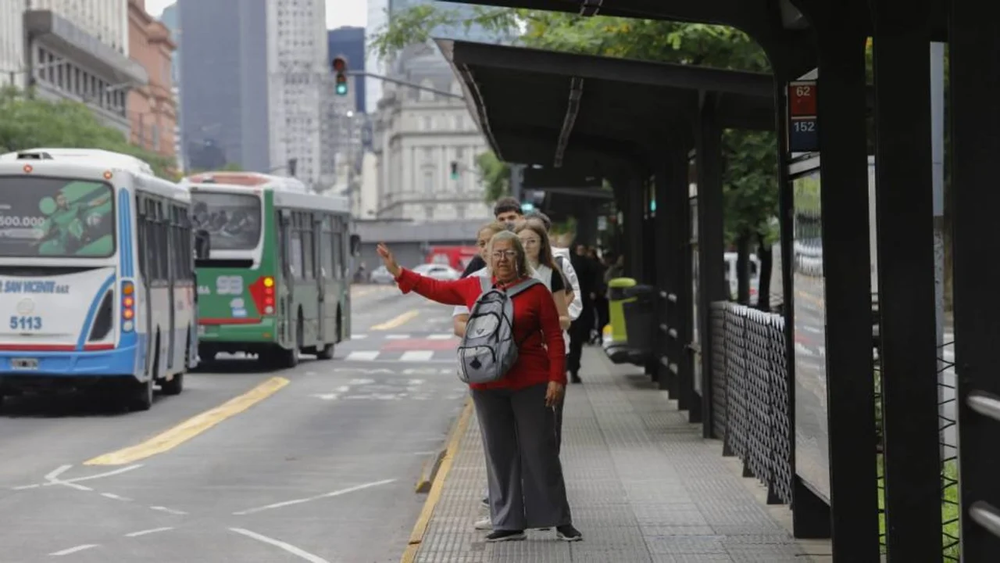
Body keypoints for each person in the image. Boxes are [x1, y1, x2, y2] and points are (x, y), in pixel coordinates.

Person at [377, 235, 583, 543]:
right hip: (487, 382)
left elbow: (553, 336)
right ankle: (509, 522)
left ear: (519, 259)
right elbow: (437, 289)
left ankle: (557, 518)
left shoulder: (536, 290)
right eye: (497, 254)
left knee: (540, 450)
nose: (502, 259)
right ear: (487, 258)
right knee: (499, 454)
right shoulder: (475, 286)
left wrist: (557, 379)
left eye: (509, 254)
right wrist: (398, 272)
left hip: (531, 381)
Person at [461, 197, 524, 277]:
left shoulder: (529, 248)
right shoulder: (480, 260)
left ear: (522, 218)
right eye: (501, 219)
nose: (506, 222)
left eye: (511, 218)